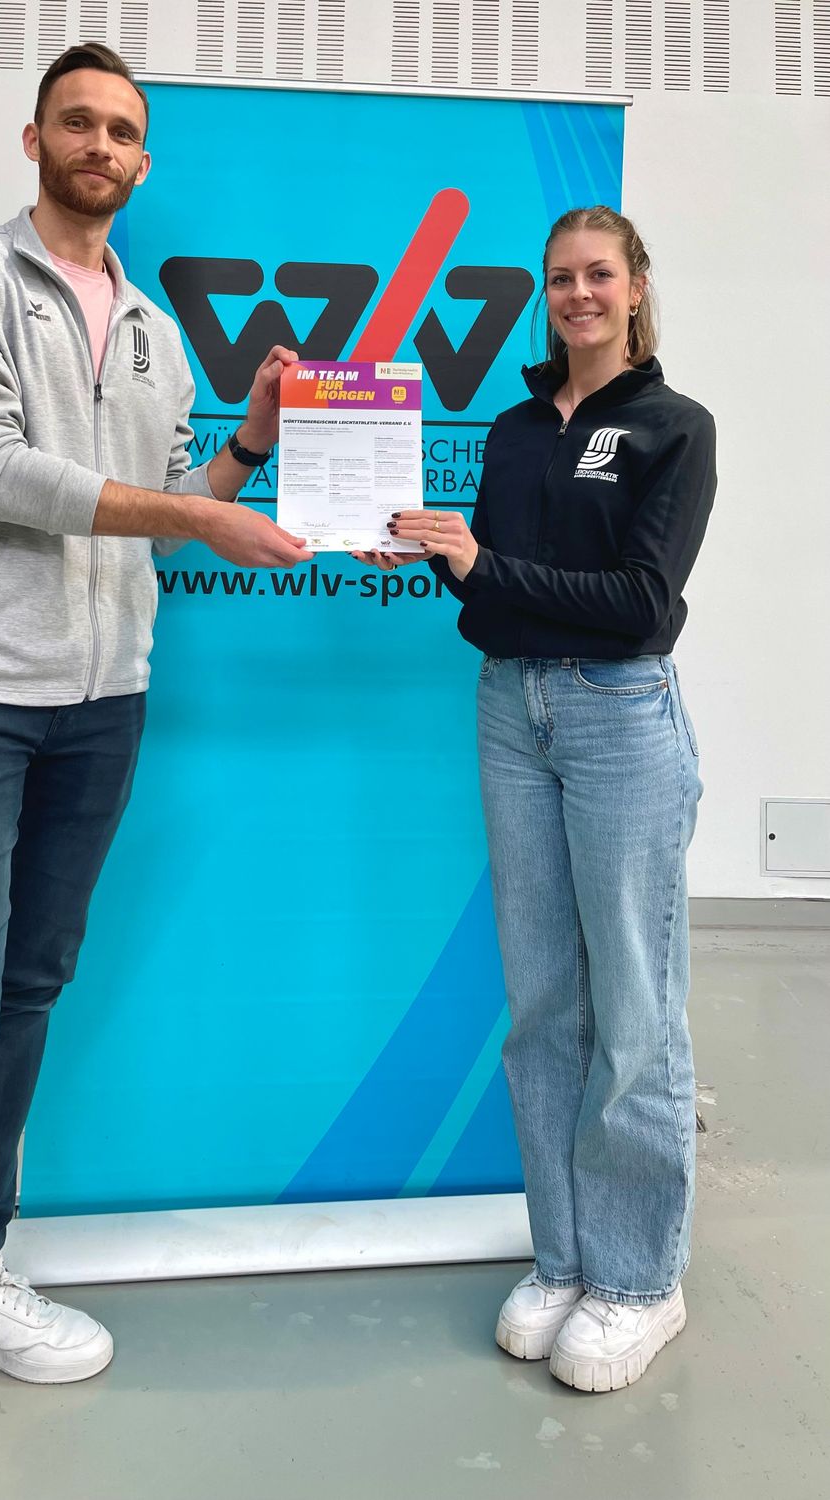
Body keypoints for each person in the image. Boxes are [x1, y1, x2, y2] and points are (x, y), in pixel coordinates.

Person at [0, 42, 311, 1500]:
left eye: (122, 131)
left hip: (101, 706)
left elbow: (169, 504)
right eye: (79, 123)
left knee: (28, 994)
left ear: (143, 162)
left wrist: (244, 449)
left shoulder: (157, 328)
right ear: (34, 137)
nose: (101, 145)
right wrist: (190, 510)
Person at [361, 205, 715, 1392]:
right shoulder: (515, 430)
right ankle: (565, 1256)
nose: (578, 294)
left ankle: (641, 1279)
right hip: (511, 709)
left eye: (599, 274)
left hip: (619, 714)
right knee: (543, 1002)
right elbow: (493, 598)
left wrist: (484, 565)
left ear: (636, 285)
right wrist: (430, 552)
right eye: (561, 278)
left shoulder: (674, 428)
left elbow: (641, 604)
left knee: (635, 1006)